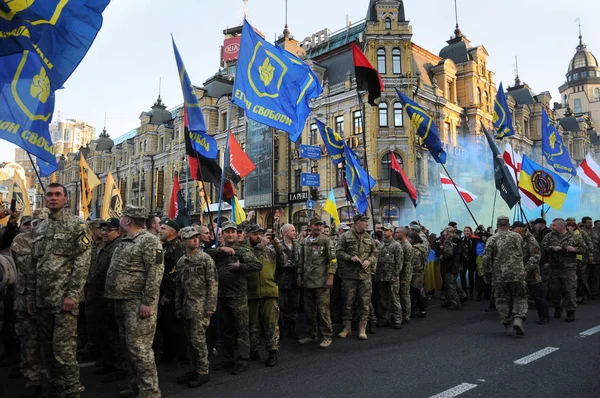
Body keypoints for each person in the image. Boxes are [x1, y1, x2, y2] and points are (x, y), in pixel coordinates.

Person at [28, 183, 92, 398]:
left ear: (66, 198)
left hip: (64, 299)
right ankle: (56, 388)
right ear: (45, 199)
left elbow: (82, 263)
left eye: (58, 194)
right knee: (46, 349)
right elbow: (34, 264)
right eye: (49, 195)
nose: (53, 198)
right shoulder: (41, 228)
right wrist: (31, 295)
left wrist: (73, 295)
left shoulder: (76, 225)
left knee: (64, 351)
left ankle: (73, 391)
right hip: (42, 299)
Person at [104, 205, 164, 398]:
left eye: (122, 217)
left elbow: (156, 273)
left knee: (140, 349)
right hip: (120, 301)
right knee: (127, 347)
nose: (120, 220)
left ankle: (150, 392)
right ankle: (135, 385)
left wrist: (148, 301)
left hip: (137, 303)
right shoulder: (126, 240)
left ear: (128, 220)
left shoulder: (150, 241)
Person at [206, 221, 262, 375]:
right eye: (227, 232)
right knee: (225, 330)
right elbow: (205, 254)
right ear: (222, 234)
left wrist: (241, 267)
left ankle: (243, 359)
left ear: (237, 234)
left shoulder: (242, 250)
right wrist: (220, 249)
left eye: (232, 232)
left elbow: (257, 265)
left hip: (238, 296)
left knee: (242, 328)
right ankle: (228, 358)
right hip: (221, 295)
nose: (230, 234)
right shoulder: (217, 250)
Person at [10, 209, 48, 398]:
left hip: (49, 298)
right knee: (28, 340)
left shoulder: (56, 239)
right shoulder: (21, 240)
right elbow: (18, 267)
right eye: (36, 221)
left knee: (54, 343)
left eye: (43, 221)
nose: (38, 224)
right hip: (25, 298)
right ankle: (32, 380)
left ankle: (56, 379)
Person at [175, 227, 218, 388]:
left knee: (198, 340)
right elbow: (179, 286)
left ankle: (203, 371)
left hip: (201, 307)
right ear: (183, 241)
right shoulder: (181, 261)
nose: (195, 240)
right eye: (191, 238)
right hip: (187, 306)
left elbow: (212, 283)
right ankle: (194, 369)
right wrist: (178, 306)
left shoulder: (205, 258)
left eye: (196, 237)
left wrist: (210, 306)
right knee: (190, 341)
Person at [88, 218, 127, 382]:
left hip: (109, 296)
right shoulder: (106, 246)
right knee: (102, 332)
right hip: (99, 295)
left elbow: (117, 274)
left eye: (108, 230)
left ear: (118, 232)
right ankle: (106, 362)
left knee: (113, 335)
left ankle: (119, 368)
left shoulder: (118, 247)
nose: (104, 233)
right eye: (102, 230)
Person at [246, 224, 285, 367]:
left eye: (261, 234)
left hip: (269, 291)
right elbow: (249, 261)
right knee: (253, 325)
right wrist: (260, 246)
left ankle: (272, 351)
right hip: (252, 292)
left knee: (271, 324)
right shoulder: (246, 250)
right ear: (248, 235)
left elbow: (283, 262)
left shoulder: (269, 251)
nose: (259, 237)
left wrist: (277, 245)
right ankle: (254, 350)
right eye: (256, 234)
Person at [482, 216, 527, 336]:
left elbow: (486, 258)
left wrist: (486, 273)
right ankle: (518, 318)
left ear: (497, 226)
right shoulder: (517, 236)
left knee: (501, 300)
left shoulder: (492, 239)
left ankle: (507, 325)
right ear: (508, 225)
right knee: (520, 297)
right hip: (517, 272)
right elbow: (521, 251)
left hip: (499, 275)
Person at [336, 214, 377, 340]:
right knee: (348, 302)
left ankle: (362, 328)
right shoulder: (345, 236)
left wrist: (369, 261)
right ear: (358, 223)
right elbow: (338, 252)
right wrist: (350, 258)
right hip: (349, 275)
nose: (367, 225)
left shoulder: (368, 237)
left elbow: (375, 253)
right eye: (365, 223)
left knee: (365, 302)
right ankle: (347, 328)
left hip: (365, 276)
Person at [297, 217, 336, 348]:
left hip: (321, 281)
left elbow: (333, 260)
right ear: (310, 226)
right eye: (316, 225)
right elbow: (302, 260)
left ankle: (327, 336)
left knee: (323, 310)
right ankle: (311, 334)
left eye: (320, 225)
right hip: (308, 281)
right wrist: (300, 276)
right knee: (309, 310)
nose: (318, 228)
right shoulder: (306, 241)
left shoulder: (325, 240)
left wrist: (330, 277)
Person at [541, 218, 586, 322]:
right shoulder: (549, 236)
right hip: (554, 268)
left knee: (569, 291)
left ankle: (570, 312)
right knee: (554, 291)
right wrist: (552, 248)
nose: (552, 227)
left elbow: (584, 249)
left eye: (554, 225)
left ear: (562, 226)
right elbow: (543, 247)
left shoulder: (574, 236)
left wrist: (574, 249)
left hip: (568, 269)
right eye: (552, 225)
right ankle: (558, 308)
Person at [157, 219, 186, 364]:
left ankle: (178, 356)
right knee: (165, 326)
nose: (159, 230)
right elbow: (157, 267)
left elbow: (176, 273)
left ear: (172, 232)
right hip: (161, 291)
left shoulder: (177, 248)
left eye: (163, 228)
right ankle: (168, 353)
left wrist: (169, 295)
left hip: (172, 294)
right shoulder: (163, 246)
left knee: (174, 326)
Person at [511, 221, 550, 325]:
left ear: (521, 229)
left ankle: (544, 316)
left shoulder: (531, 240)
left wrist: (527, 269)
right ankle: (515, 316)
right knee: (517, 296)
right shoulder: (515, 239)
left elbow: (536, 256)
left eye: (515, 231)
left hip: (531, 273)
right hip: (518, 272)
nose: (514, 233)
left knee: (538, 296)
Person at [375, 223, 403, 329]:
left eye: (386, 230)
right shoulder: (381, 245)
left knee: (394, 299)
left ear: (391, 232)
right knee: (383, 299)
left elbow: (399, 262)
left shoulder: (396, 245)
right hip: (382, 276)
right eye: (383, 230)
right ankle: (385, 318)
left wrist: (395, 276)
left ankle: (397, 319)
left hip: (392, 277)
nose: (384, 232)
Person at [278, 224, 300, 339]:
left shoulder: (297, 245)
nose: (295, 233)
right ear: (286, 233)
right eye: (292, 230)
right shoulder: (278, 245)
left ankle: (292, 329)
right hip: (281, 280)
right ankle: (281, 330)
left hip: (294, 280)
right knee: (280, 306)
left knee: (293, 305)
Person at [440, 227, 465, 310]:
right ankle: (457, 297)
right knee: (453, 282)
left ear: (447, 232)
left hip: (449, 265)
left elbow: (448, 254)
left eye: (444, 231)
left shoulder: (447, 241)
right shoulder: (457, 240)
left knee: (450, 284)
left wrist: (442, 255)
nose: (443, 233)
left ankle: (455, 303)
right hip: (457, 264)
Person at [407, 231, 428, 318]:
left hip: (416, 274)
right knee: (418, 292)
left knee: (415, 292)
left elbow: (415, 264)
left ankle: (418, 310)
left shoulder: (415, 250)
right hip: (421, 272)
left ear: (413, 239)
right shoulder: (422, 248)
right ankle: (422, 310)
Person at [395, 227, 413, 323]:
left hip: (405, 273)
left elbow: (406, 262)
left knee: (405, 294)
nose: (395, 234)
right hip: (401, 273)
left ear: (403, 234)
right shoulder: (399, 244)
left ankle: (406, 315)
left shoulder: (407, 246)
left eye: (397, 232)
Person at [581, 216, 600, 299]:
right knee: (584, 276)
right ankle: (585, 293)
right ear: (584, 223)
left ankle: (594, 292)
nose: (590, 224)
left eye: (591, 222)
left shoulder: (596, 232)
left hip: (596, 257)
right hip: (584, 258)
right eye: (589, 222)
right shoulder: (580, 232)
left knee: (595, 276)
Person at [460, 226, 479, 300]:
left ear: (471, 232)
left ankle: (471, 293)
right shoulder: (462, 240)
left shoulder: (474, 240)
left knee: (471, 276)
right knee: (462, 275)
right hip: (464, 261)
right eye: (465, 231)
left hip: (472, 260)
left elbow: (475, 249)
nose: (466, 232)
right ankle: (464, 292)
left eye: (468, 231)